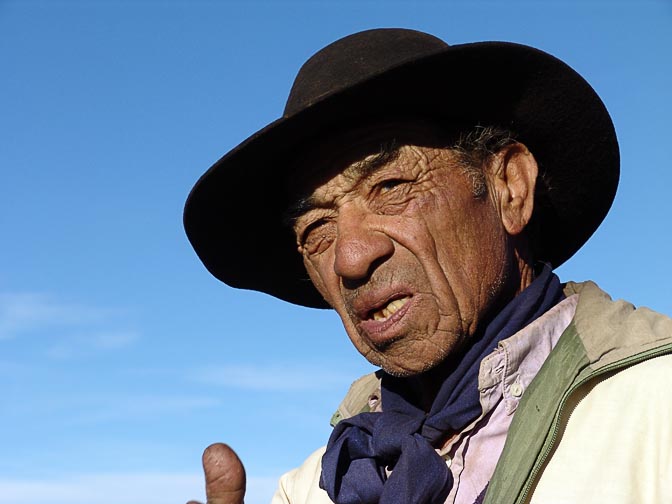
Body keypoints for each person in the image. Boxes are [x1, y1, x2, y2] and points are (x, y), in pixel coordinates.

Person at [183, 28, 672, 504]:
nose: (350, 258)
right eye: (317, 230)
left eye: (391, 187)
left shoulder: (656, 413)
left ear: (509, 187)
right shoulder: (313, 488)